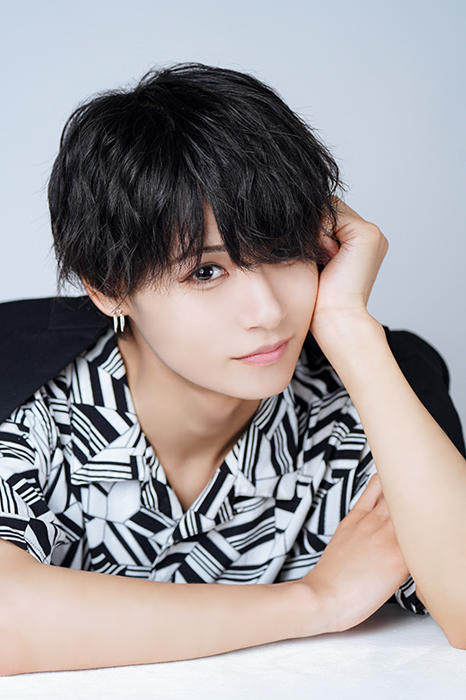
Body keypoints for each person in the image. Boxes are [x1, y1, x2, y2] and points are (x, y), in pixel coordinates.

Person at [0, 63, 465, 676]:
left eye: (286, 250)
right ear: (108, 287)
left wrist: (351, 328)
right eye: (205, 271)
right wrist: (315, 602)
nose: (268, 312)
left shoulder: (374, 390)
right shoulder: (23, 384)